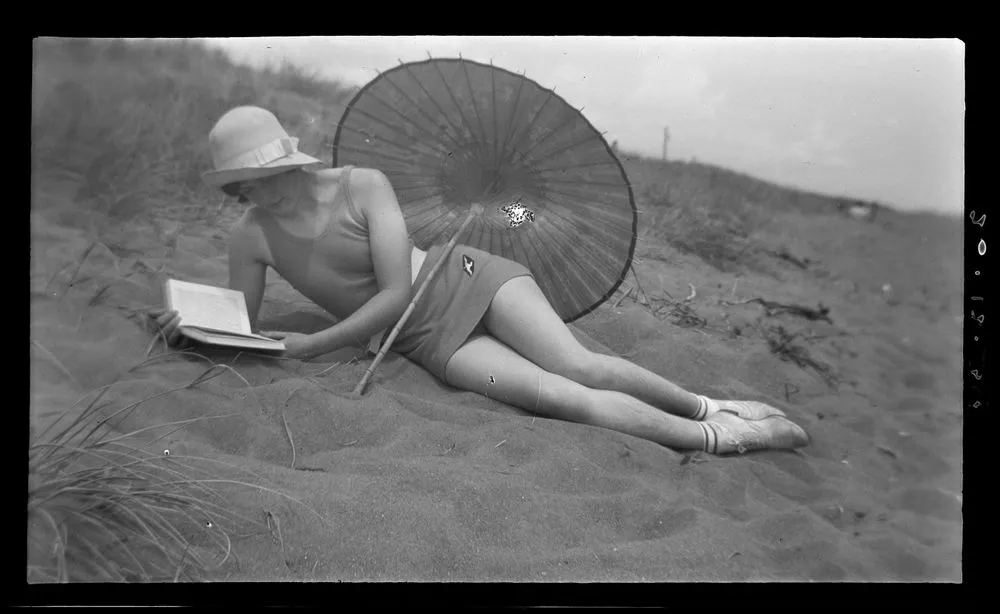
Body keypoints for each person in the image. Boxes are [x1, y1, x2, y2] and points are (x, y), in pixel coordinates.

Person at [150, 106, 810, 456]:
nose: (250, 193)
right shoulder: (251, 237)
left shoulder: (361, 186)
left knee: (582, 365)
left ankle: (706, 403)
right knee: (558, 397)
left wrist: (314, 347)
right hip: (421, 339)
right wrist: (193, 327)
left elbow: (394, 293)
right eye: (239, 185)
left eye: (258, 178)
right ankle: (720, 438)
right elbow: (237, 319)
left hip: (464, 275)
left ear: (286, 166)